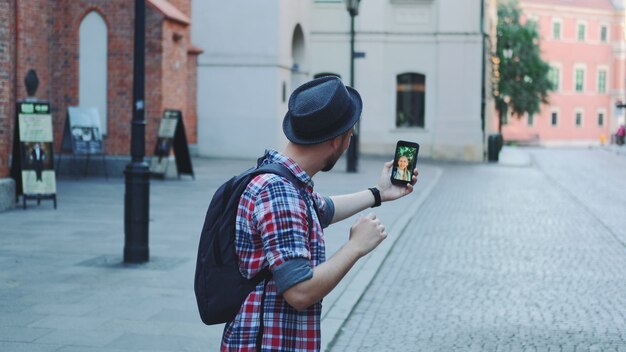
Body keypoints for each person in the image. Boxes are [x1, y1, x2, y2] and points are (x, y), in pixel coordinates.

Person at [221, 76, 418, 351]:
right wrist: (356, 246)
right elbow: (300, 292)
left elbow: (321, 209)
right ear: (337, 140)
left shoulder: (284, 179)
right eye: (351, 133)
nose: (351, 140)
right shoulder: (280, 193)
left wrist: (379, 193)